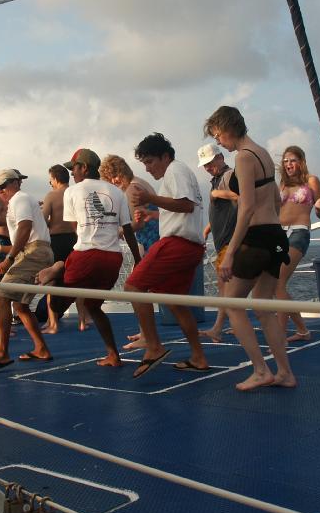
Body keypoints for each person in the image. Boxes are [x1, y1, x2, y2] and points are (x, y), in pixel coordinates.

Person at [204, 106, 296, 391]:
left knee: (233, 304)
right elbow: (276, 199)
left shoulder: (243, 157)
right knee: (264, 307)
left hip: (256, 238)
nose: (218, 141)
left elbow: (246, 207)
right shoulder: (263, 154)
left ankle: (260, 370)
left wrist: (230, 252)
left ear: (228, 128)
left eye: (217, 135)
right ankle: (285, 373)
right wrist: (272, 229)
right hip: (275, 235)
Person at [37, 149, 142, 366]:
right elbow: (128, 230)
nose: (72, 173)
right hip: (112, 259)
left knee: (56, 306)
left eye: (73, 168)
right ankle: (113, 355)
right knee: (93, 307)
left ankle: (59, 267)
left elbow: (75, 229)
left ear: (84, 168)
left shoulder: (72, 192)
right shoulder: (117, 192)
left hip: (86, 255)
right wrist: (138, 261)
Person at [125, 133, 208, 378]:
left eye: (150, 161)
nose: (148, 168)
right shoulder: (178, 173)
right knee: (176, 303)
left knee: (133, 287)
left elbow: (186, 205)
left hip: (177, 244)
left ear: (165, 156)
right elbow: (183, 210)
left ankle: (153, 347)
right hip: (191, 246)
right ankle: (198, 357)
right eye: (144, 164)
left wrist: (149, 198)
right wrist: (154, 214)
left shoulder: (175, 170)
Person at [0, 169, 55, 375]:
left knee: (1, 297)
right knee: (20, 305)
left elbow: (25, 229)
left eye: (3, 186)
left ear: (16, 183)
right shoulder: (20, 201)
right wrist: (0, 249)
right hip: (36, 252)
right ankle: (41, 349)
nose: (0, 191)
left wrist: (9, 259)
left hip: (34, 253)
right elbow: (26, 238)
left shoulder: (19, 198)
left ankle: (2, 352)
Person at [99, 154, 160, 350]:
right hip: (152, 241)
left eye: (111, 180)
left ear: (116, 175)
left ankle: (147, 336)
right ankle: (145, 332)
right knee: (141, 289)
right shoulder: (140, 183)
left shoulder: (132, 189)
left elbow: (138, 223)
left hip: (150, 243)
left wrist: (117, 231)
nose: (112, 185)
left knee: (135, 288)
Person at [276, 145, 320, 342]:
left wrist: (319, 208)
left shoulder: (311, 180)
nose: (288, 164)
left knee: (278, 282)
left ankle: (280, 337)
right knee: (278, 285)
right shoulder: (283, 184)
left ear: (301, 162)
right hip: (279, 235)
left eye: (293, 160)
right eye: (285, 161)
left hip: (299, 233)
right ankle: (302, 331)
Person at [195, 142, 238, 343]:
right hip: (222, 241)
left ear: (220, 157)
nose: (208, 167)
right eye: (205, 164)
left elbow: (242, 198)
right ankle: (236, 325)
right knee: (230, 288)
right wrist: (206, 231)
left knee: (224, 287)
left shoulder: (229, 176)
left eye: (211, 162)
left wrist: (218, 193)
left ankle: (218, 328)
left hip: (230, 240)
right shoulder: (216, 179)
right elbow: (220, 212)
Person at [40, 164, 87, 333]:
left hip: (58, 240)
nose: (50, 183)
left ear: (55, 179)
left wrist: (44, 215)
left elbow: (43, 220)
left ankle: (53, 323)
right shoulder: (77, 193)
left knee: (53, 281)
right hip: (76, 239)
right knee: (78, 280)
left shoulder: (52, 195)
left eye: (50, 180)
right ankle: (83, 320)